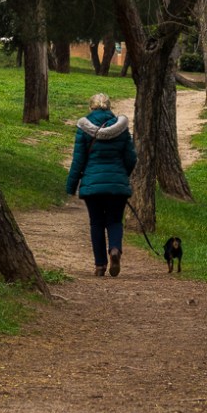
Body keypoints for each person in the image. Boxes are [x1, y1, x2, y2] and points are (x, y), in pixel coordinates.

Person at [66, 93, 137, 277]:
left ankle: (99, 265)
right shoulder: (121, 128)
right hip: (117, 186)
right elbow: (131, 158)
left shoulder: (84, 128)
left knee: (96, 223)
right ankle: (114, 249)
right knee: (114, 221)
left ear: (91, 108)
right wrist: (122, 176)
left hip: (92, 186)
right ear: (109, 107)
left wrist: (71, 186)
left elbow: (78, 160)